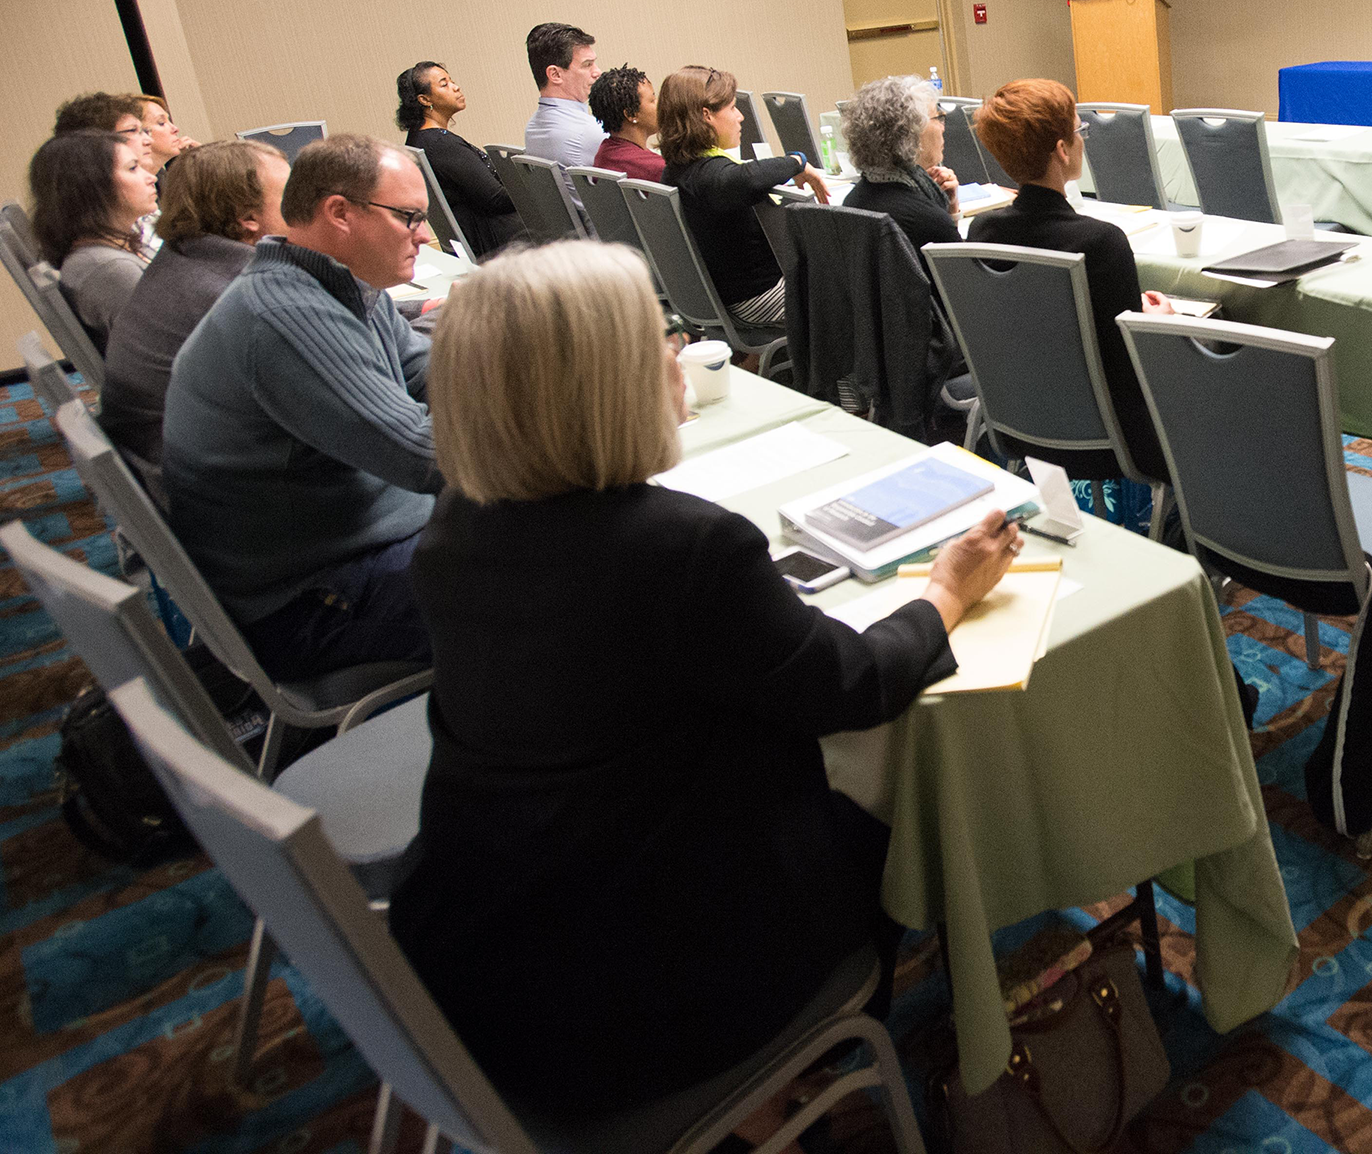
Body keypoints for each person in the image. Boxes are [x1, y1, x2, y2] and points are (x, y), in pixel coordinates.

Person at [390, 239, 1020, 1112]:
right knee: (904, 820)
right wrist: (947, 593)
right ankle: (833, 1049)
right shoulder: (682, 548)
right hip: (644, 986)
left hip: (483, 943)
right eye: (658, 335)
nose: (677, 349)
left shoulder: (457, 522)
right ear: (601, 380)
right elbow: (851, 686)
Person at [162, 134, 439, 680]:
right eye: (409, 217)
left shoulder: (338, 285)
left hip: (341, 550)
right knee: (578, 584)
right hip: (308, 604)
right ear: (339, 212)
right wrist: (595, 434)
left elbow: (429, 372)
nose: (425, 236)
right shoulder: (286, 315)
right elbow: (426, 458)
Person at [969, 78, 1178, 481]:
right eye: (1078, 131)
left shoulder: (984, 231)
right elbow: (1126, 366)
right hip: (1114, 446)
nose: (1082, 138)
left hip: (1020, 429)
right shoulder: (1101, 243)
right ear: (1062, 150)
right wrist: (1159, 326)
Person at [100, 139, 289, 473]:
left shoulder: (183, 255)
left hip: (175, 458)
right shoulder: (239, 295)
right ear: (248, 218)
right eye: (291, 196)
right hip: (227, 485)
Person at [658, 65, 828, 328]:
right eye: (732, 108)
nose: (740, 117)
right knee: (855, 288)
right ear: (707, 116)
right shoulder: (709, 175)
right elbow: (746, 179)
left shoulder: (678, 169)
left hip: (727, 296)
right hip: (757, 299)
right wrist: (798, 161)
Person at [27, 129, 156, 348]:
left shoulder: (110, 248)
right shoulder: (110, 269)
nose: (151, 177)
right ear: (93, 186)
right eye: (133, 168)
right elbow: (168, 347)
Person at [397, 61, 526, 258]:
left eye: (451, 80)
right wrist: (533, 192)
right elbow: (495, 199)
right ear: (424, 99)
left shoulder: (419, 138)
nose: (456, 87)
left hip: (479, 235)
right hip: (496, 243)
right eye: (444, 84)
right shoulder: (441, 144)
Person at [843, 74, 960, 253]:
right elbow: (963, 275)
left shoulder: (852, 202)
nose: (943, 127)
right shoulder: (927, 220)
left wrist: (951, 205)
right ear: (912, 133)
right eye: (938, 118)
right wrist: (949, 216)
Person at [522, 21, 604, 169]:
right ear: (555, 74)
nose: (597, 72)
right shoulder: (590, 132)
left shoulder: (532, 128)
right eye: (587, 65)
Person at [589, 63, 665, 182]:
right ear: (631, 114)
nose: (660, 105)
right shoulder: (658, 169)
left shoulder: (604, 153)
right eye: (652, 100)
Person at [136, 97, 195, 172]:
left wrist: (204, 161)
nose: (175, 129)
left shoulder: (163, 179)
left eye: (169, 121)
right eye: (161, 123)